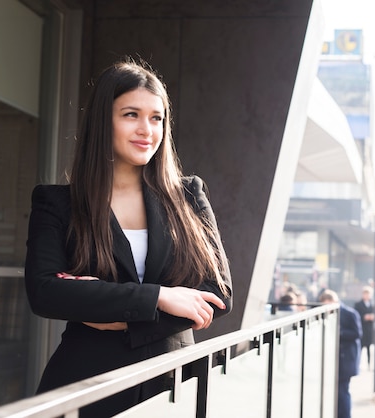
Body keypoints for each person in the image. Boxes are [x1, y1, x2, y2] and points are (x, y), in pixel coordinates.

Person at [24, 58, 233, 417]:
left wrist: (109, 307)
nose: (147, 130)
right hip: (86, 383)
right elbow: (45, 292)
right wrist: (160, 298)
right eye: (131, 114)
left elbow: (217, 294)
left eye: (157, 118)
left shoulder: (188, 196)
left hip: (174, 385)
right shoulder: (57, 203)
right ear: (103, 120)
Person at [319, 289, 362, 418]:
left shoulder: (349, 313)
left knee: (342, 391)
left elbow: (357, 334)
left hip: (346, 360)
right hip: (337, 360)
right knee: (338, 391)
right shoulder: (329, 314)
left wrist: (339, 332)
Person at [354, 286, 375, 369]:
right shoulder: (358, 304)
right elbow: (356, 315)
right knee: (360, 348)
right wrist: (364, 317)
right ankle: (358, 365)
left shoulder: (372, 305)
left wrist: (372, 317)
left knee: (369, 349)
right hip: (361, 329)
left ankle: (369, 365)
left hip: (369, 330)